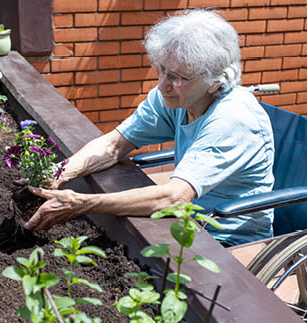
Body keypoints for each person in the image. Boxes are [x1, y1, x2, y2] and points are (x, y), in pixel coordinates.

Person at [23, 9, 275, 246]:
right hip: (187, 225)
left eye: (177, 77)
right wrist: (58, 174)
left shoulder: (232, 119)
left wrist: (81, 203)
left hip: (229, 240)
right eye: (162, 70)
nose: (163, 84)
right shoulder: (177, 97)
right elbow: (113, 145)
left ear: (214, 82)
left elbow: (174, 197)